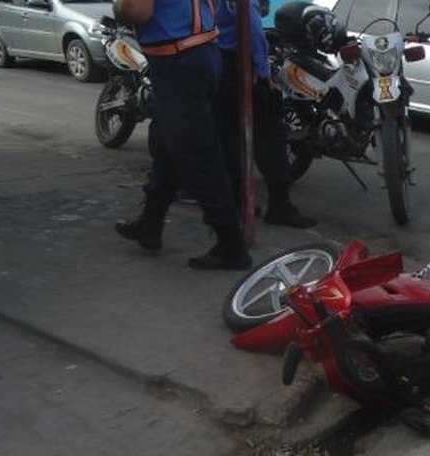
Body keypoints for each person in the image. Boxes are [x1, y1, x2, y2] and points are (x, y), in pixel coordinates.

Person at [112, 0, 252, 271]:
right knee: (169, 144)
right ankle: (150, 222)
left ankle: (230, 245)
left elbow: (135, 11)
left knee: (199, 154)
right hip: (203, 52)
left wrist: (118, 7)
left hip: (177, 59)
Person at [214, 0, 316, 229]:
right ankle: (279, 206)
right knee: (270, 137)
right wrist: (262, 71)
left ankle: (239, 203)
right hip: (238, 64)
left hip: (218, 62)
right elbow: (251, 29)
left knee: (228, 138)